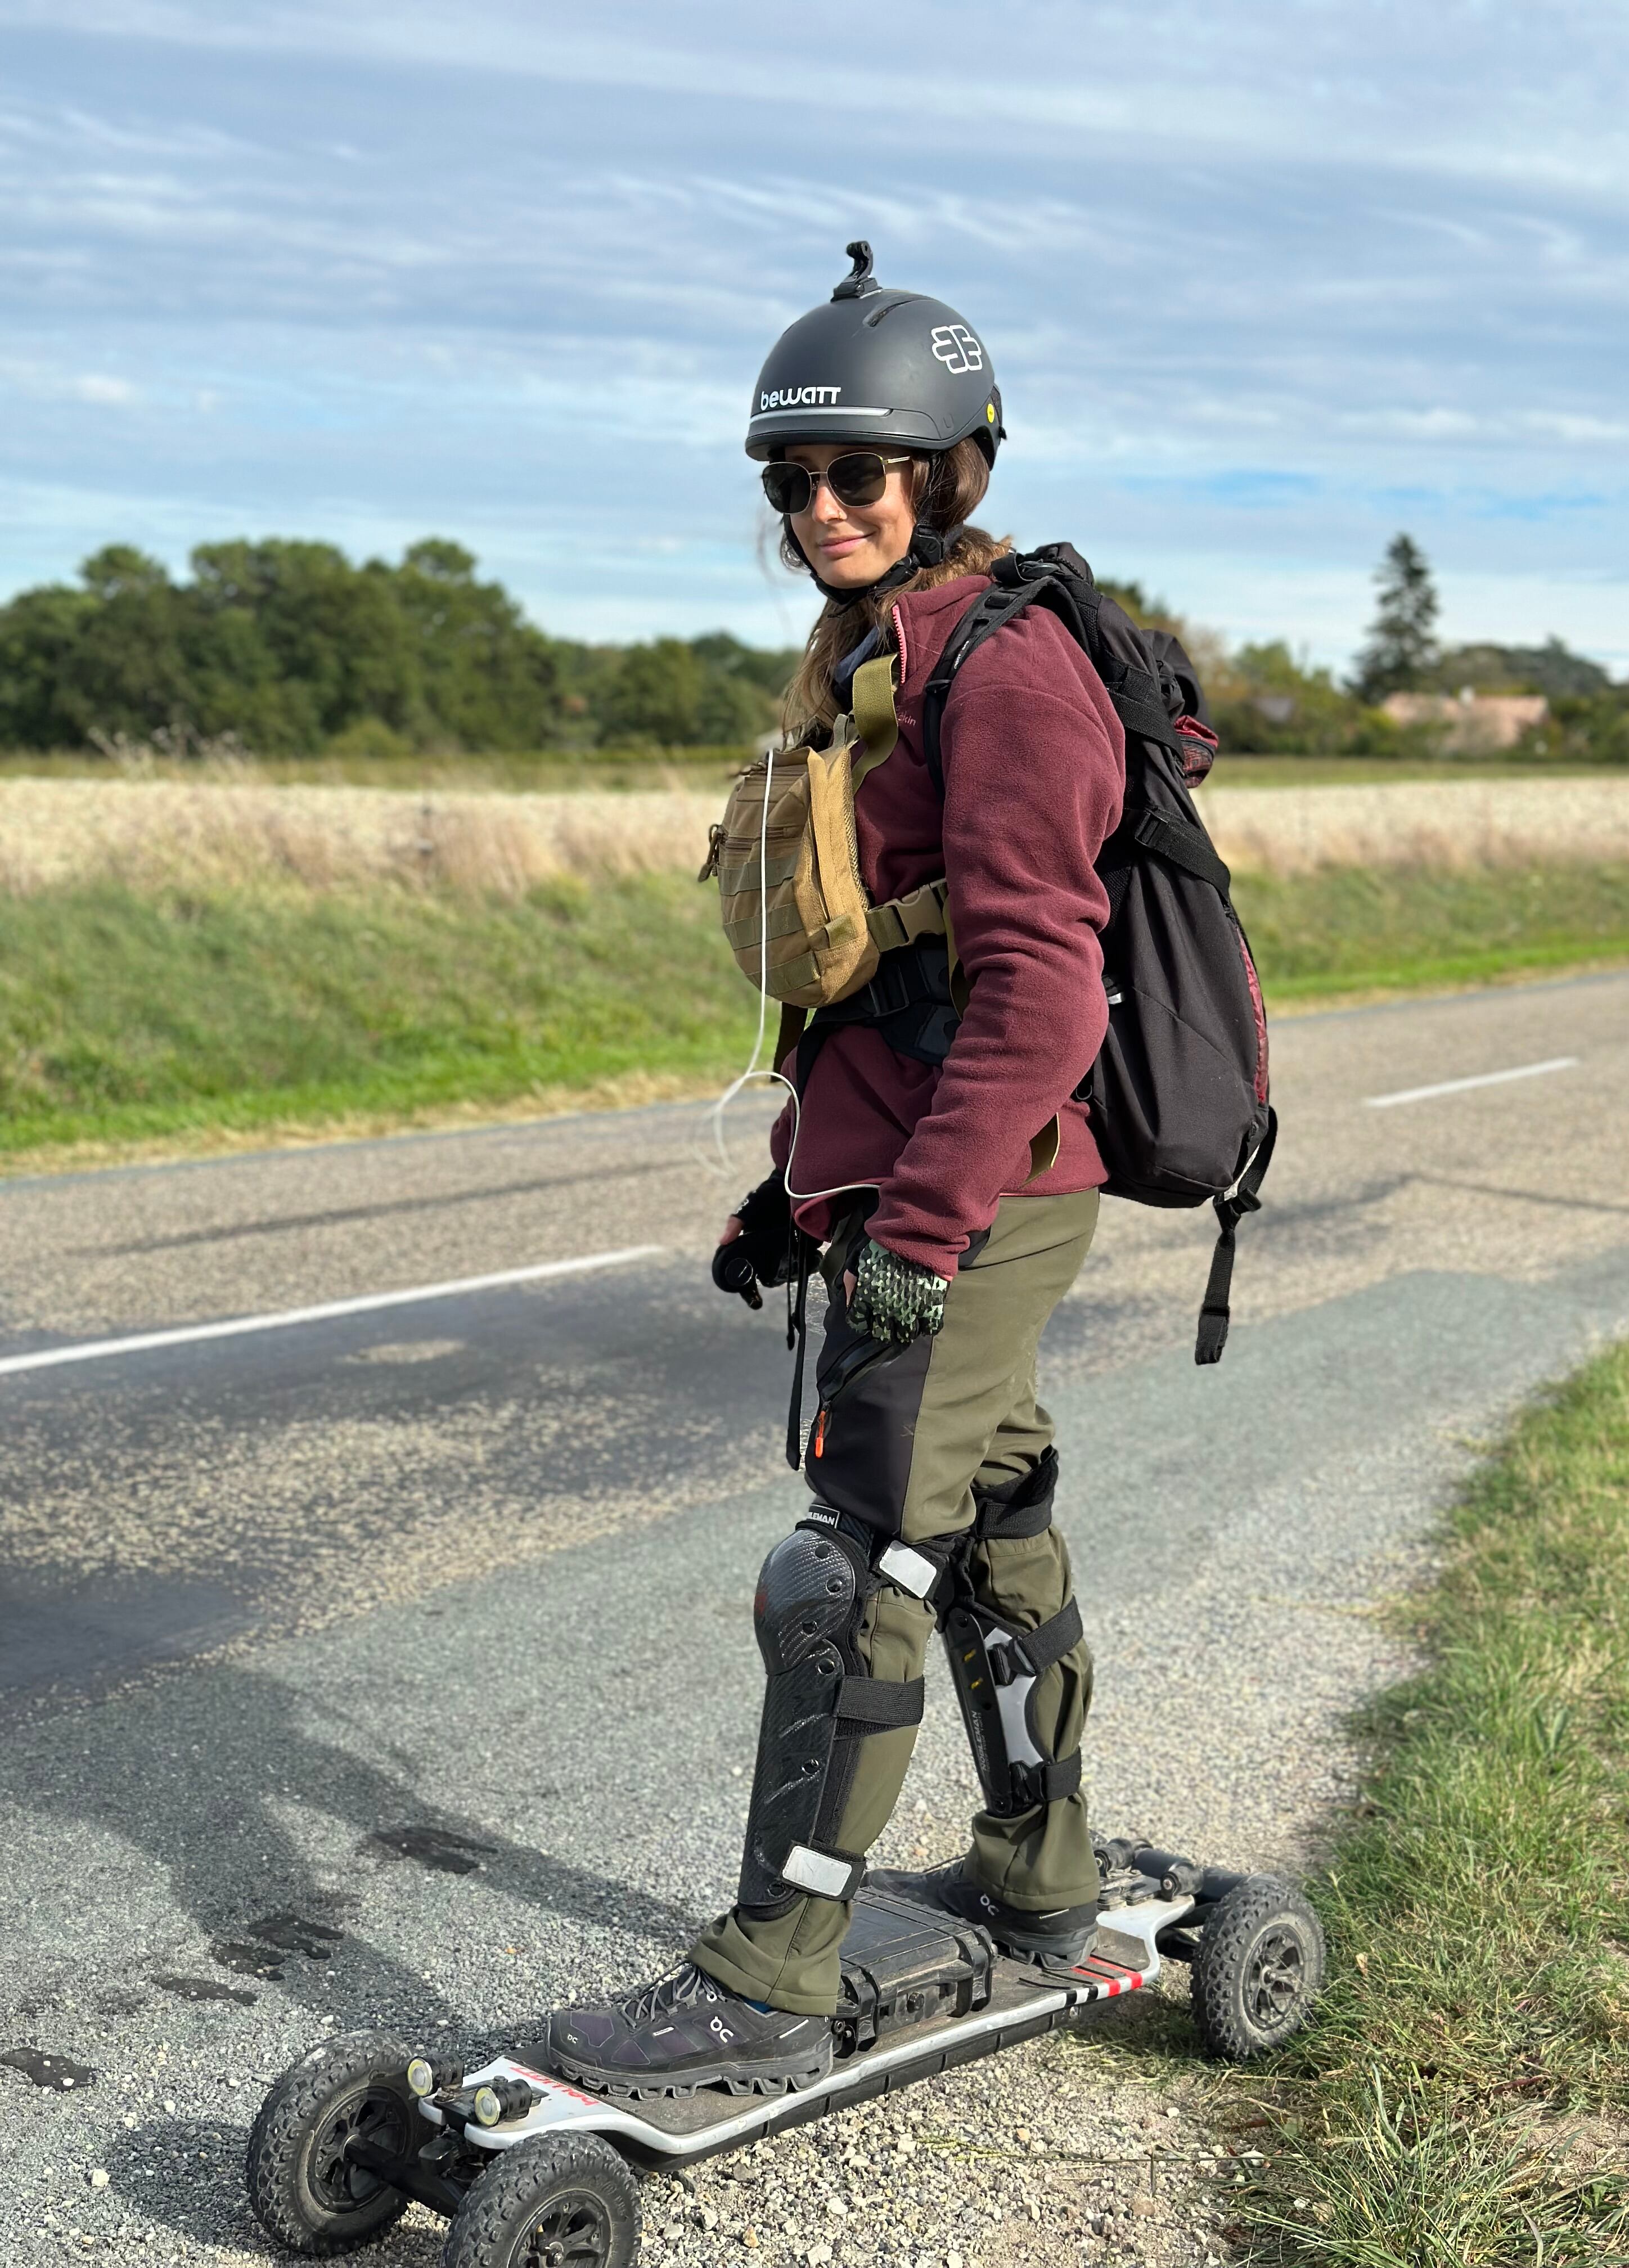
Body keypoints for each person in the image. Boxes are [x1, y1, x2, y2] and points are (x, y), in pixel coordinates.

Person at [547, 244, 1128, 2099]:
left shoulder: (1010, 669)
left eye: (854, 476)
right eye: (789, 482)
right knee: (995, 1523)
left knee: (848, 1567)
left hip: (993, 1181)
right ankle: (1045, 1884)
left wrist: (927, 1230)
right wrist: (793, 1197)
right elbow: (888, 971)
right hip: (914, 1173)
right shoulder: (872, 659)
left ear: (950, 470)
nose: (815, 511)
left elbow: (1041, 990)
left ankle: (775, 1968)